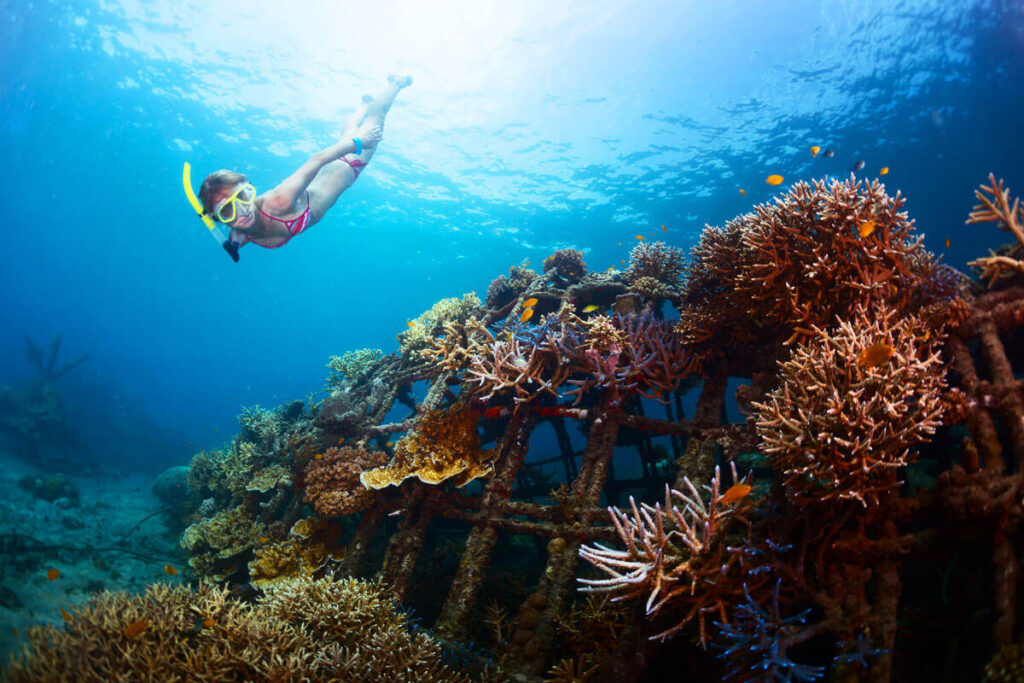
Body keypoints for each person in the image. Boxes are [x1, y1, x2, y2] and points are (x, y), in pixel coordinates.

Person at [197, 75, 412, 261]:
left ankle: (394, 83)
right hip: (332, 169)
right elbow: (236, 240)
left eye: (242, 197)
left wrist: (360, 142)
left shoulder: (279, 200)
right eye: (227, 210)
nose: (242, 210)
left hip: (347, 165)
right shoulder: (239, 234)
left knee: (374, 122)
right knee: (347, 133)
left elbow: (317, 160)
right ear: (221, 220)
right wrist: (233, 247)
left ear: (248, 190)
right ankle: (362, 107)